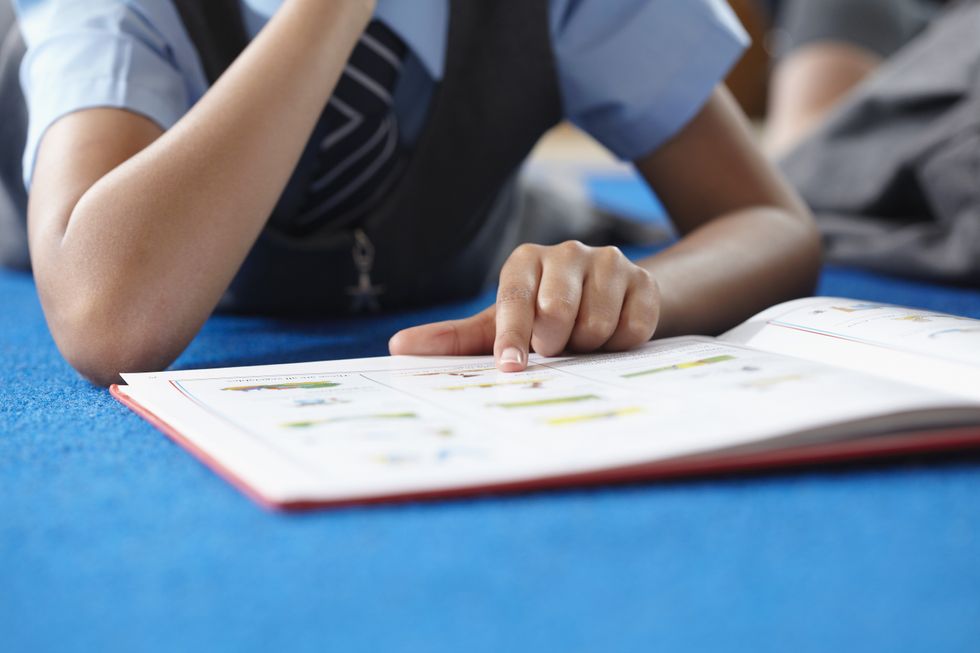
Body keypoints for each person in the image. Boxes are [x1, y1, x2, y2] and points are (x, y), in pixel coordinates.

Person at [5, 0, 820, 386]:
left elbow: (773, 221)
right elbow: (106, 317)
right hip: (46, 199)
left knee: (554, 215)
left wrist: (645, 292)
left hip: (465, 223)